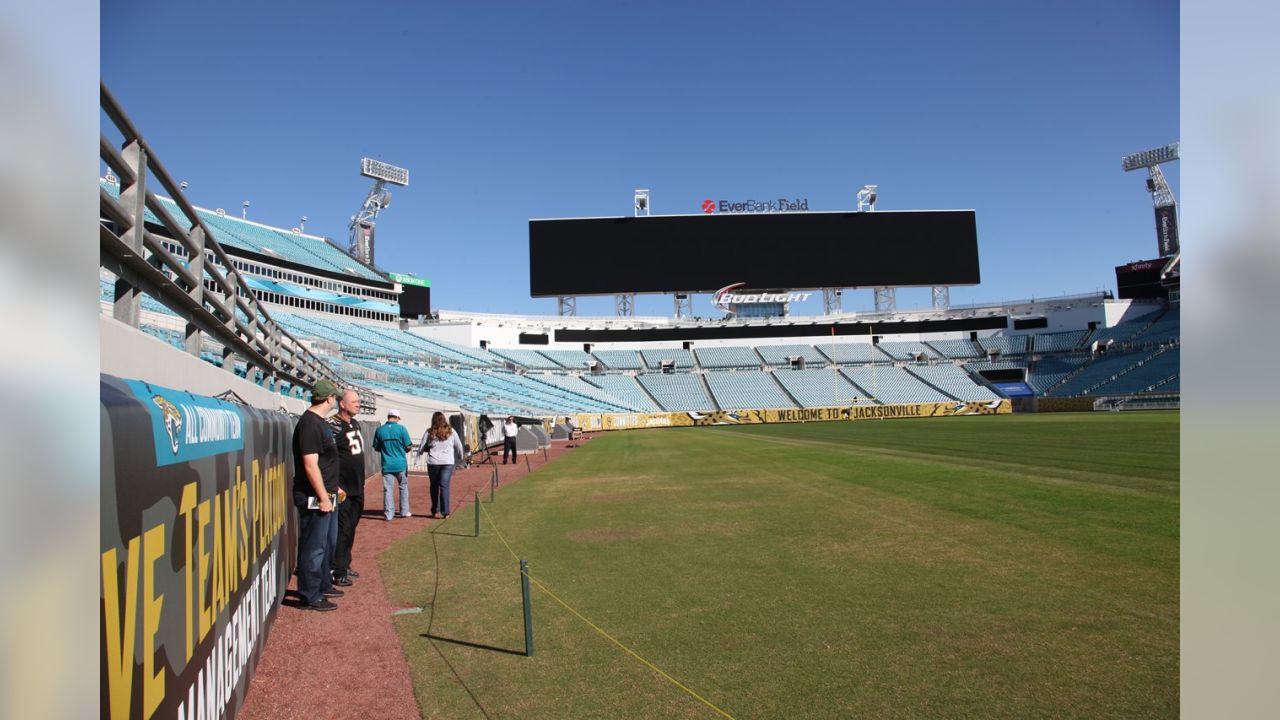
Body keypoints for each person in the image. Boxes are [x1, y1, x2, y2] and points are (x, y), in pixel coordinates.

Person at [292, 379, 344, 611]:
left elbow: (325, 463)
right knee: (314, 546)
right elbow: (310, 465)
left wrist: (334, 489)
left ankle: (321, 585)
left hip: (327, 492)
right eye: (335, 396)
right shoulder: (310, 424)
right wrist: (323, 497)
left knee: (324, 544)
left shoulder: (319, 422)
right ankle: (309, 594)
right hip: (314, 496)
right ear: (329, 398)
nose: (336, 400)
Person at [329, 389, 365, 586]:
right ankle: (337, 569)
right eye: (354, 401)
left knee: (351, 528)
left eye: (359, 401)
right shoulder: (333, 426)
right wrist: (335, 485)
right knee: (342, 529)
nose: (358, 404)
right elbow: (326, 457)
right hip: (342, 489)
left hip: (357, 486)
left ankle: (345, 564)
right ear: (342, 404)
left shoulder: (355, 423)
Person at [421, 411, 465, 519]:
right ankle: (446, 512)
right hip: (447, 462)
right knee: (444, 486)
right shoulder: (451, 431)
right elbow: (458, 445)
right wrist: (461, 456)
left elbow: (422, 445)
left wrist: (419, 455)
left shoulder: (429, 431)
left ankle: (435, 511)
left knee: (434, 486)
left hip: (433, 462)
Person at [374, 409, 414, 520]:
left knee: (388, 489)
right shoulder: (401, 429)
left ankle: (389, 514)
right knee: (403, 487)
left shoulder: (380, 430)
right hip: (400, 464)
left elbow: (376, 447)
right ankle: (404, 511)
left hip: (387, 464)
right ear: (397, 417)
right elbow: (408, 445)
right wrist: (405, 449)